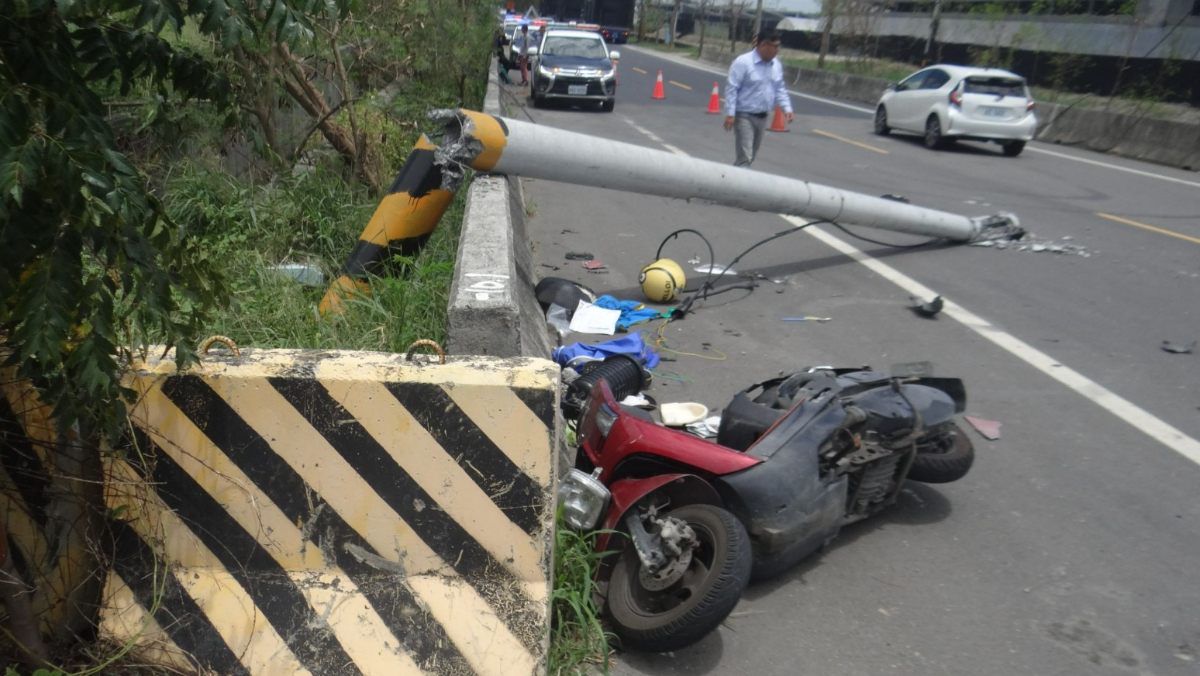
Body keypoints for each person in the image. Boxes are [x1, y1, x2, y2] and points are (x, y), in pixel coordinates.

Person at [723, 31, 794, 167]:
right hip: (744, 115)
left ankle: (732, 180)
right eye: (775, 46)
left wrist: (787, 108)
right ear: (763, 45)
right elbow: (732, 88)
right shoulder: (743, 62)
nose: (777, 50)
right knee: (745, 156)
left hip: (762, 117)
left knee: (751, 155)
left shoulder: (776, 65)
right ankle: (740, 185)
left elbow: (779, 88)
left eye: (779, 46)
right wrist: (730, 114)